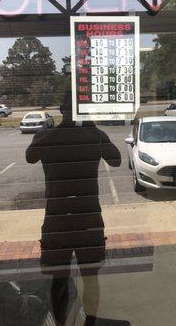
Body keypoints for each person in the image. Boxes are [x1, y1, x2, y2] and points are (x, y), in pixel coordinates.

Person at [26, 93, 129, 326]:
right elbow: (116, 160)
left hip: (58, 219)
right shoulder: (93, 135)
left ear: (60, 109)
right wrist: (93, 130)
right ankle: (89, 323)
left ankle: (64, 323)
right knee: (88, 278)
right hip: (87, 218)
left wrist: (51, 130)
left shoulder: (48, 135)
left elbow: (30, 156)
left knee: (59, 278)